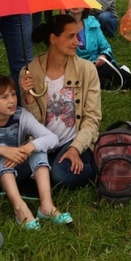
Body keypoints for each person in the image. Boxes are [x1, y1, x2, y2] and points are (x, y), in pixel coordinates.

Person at [0, 75, 73, 229]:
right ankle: (20, 209)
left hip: (18, 170)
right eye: (4, 97)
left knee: (39, 150)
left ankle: (46, 206)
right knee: (2, 155)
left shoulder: (22, 115)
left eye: (13, 94)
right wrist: (0, 150)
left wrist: (28, 147)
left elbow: (52, 138)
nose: (12, 100)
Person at [20, 14, 102, 188]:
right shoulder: (30, 71)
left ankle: (99, 168)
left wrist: (75, 148)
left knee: (60, 175)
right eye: (71, 36)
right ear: (53, 39)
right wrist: (28, 96)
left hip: (74, 140)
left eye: (77, 36)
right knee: (21, 173)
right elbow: (32, 124)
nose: (77, 42)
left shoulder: (87, 70)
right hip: (44, 141)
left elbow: (92, 118)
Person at [66, 7, 131, 90]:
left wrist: (103, 56)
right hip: (77, 68)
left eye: (79, 3)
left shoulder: (92, 22)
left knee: (109, 71)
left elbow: (105, 47)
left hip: (97, 64)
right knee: (103, 82)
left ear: (84, 7)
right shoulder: (61, 26)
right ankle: (123, 88)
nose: (75, 6)